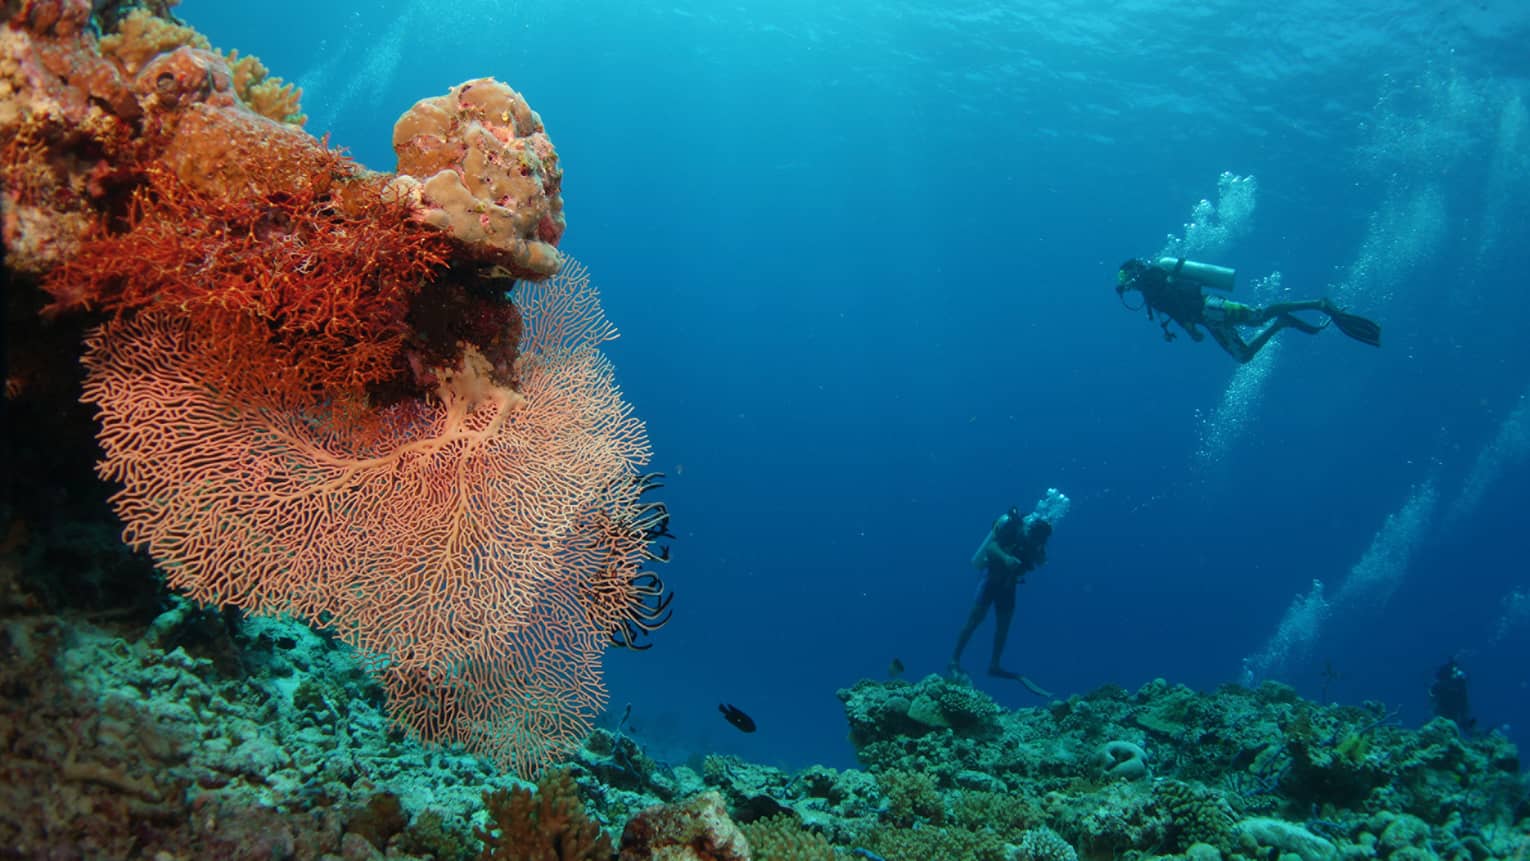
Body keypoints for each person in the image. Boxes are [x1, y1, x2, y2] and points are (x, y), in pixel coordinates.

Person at [1115, 257, 1382, 364]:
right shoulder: (1151, 285)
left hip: (1210, 309)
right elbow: (1175, 305)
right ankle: (1283, 323)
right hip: (1208, 318)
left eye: (1123, 278)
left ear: (1131, 274)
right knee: (1243, 355)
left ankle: (1317, 304)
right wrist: (1191, 326)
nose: (1123, 284)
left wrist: (1189, 328)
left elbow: (1176, 302)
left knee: (1257, 316)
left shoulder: (1150, 283)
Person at [948, 505, 1054, 696]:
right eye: (1035, 538)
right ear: (1030, 530)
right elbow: (991, 547)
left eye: (1040, 541)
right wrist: (1006, 558)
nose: (1036, 542)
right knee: (974, 620)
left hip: (1008, 585)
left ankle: (994, 665)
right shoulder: (1014, 530)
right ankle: (954, 660)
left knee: (1003, 626)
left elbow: (1038, 561)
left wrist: (1038, 554)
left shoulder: (1037, 542)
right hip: (991, 579)